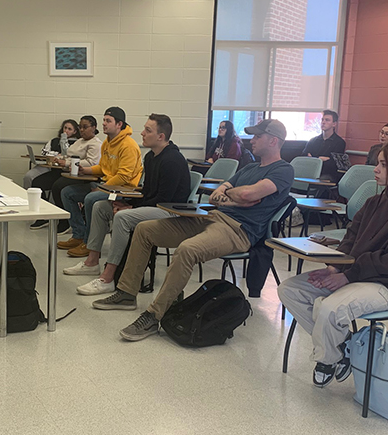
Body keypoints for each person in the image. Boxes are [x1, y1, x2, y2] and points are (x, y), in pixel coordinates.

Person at [93, 119, 294, 342]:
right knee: (144, 229)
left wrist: (235, 195)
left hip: (238, 230)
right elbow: (218, 194)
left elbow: (246, 195)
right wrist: (235, 197)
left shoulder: (284, 170)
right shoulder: (249, 168)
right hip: (211, 216)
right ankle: (127, 294)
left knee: (187, 249)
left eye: (258, 136)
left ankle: (153, 315)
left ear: (274, 141)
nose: (252, 140)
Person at [278, 136, 388, 388]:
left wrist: (348, 275)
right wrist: (335, 267)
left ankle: (328, 358)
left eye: (383, 164)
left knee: (330, 308)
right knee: (290, 289)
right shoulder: (374, 202)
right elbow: (351, 238)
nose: (376, 169)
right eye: (377, 163)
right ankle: (344, 348)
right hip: (357, 274)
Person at [63, 114, 191, 295]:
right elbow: (147, 192)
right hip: (154, 206)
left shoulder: (172, 160)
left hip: (170, 212)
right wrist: (125, 202)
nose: (142, 133)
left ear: (161, 137)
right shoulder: (151, 157)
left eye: (148, 130)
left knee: (123, 217)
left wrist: (130, 208)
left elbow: (163, 199)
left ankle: (108, 278)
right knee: (101, 206)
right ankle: (91, 262)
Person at [57, 107, 143, 251]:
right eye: (104, 120)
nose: (104, 124)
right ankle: (78, 235)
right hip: (107, 185)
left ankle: (89, 243)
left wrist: (101, 188)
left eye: (108, 121)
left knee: (91, 198)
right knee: (67, 192)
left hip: (123, 189)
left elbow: (123, 176)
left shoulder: (129, 146)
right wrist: (86, 170)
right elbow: (103, 168)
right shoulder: (107, 143)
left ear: (119, 124)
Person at [29, 116, 102, 230]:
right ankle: (42, 217)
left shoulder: (95, 144)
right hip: (66, 170)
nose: (81, 130)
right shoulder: (79, 141)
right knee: (38, 183)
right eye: (80, 127)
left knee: (57, 187)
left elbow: (91, 162)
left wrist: (67, 163)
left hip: (81, 175)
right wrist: (59, 158)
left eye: (85, 127)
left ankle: (65, 221)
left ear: (94, 128)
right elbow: (69, 154)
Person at [23, 119, 80, 190]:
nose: (66, 131)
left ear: (74, 132)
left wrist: (63, 141)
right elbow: (44, 152)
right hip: (47, 165)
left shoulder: (76, 143)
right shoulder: (54, 140)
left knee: (38, 183)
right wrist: (55, 154)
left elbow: (67, 154)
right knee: (28, 176)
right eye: (65, 128)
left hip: (59, 169)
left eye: (69, 129)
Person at [302, 110, 346, 180]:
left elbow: (333, 164)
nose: (323, 122)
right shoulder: (313, 140)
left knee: (319, 180)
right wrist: (320, 159)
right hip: (311, 171)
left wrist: (314, 158)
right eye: (322, 120)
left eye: (327, 120)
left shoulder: (339, 142)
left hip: (327, 174)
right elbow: (304, 157)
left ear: (334, 124)